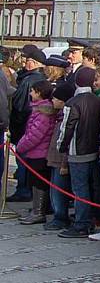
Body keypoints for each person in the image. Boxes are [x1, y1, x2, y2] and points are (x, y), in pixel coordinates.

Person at [57, 68, 100, 238]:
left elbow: (67, 127)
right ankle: (88, 220)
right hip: (93, 148)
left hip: (77, 150)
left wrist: (61, 147)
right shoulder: (98, 100)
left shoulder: (73, 102)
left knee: (80, 188)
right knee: (91, 187)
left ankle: (81, 223)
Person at [16, 80, 58, 225]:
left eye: (32, 91)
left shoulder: (43, 113)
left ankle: (39, 212)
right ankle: (36, 209)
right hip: (36, 152)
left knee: (39, 182)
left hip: (40, 153)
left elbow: (35, 135)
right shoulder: (39, 110)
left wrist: (20, 146)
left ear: (39, 93)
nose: (30, 94)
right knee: (35, 182)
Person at [8, 45, 46, 202]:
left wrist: (16, 127)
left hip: (24, 127)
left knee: (23, 160)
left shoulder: (30, 80)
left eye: (29, 60)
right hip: (26, 127)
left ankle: (23, 190)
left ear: (37, 63)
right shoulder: (30, 78)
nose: (25, 63)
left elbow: (20, 107)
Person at [44, 82, 76, 231]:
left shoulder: (66, 117)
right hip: (54, 157)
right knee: (54, 188)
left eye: (55, 99)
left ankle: (60, 217)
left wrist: (64, 163)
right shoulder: (58, 116)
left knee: (59, 190)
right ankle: (58, 215)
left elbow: (66, 141)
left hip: (60, 159)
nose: (52, 101)